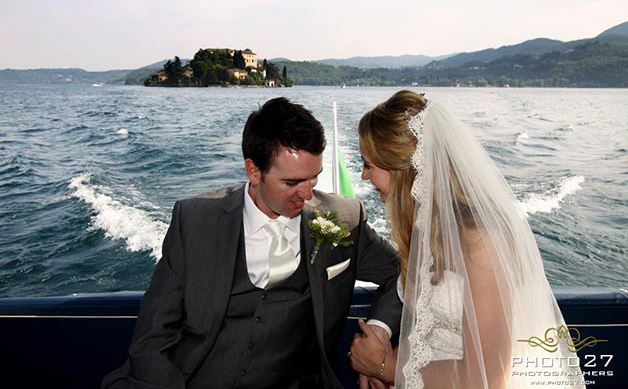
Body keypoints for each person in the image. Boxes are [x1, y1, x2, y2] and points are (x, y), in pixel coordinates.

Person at [102, 97, 402, 389]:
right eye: (292, 183)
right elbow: (152, 341)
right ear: (253, 171)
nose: (307, 195)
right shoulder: (194, 221)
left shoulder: (345, 219)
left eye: (314, 178)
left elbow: (402, 274)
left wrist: (378, 331)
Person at [349, 90, 584, 388]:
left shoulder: (481, 243)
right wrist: (391, 357)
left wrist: (384, 367)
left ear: (402, 169)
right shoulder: (430, 230)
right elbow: (428, 332)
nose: (363, 176)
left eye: (368, 165)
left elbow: (486, 376)